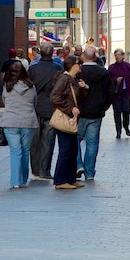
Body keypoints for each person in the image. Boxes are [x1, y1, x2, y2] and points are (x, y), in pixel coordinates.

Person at [75, 46, 112, 181]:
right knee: (92, 143)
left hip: (80, 112)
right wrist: (103, 107)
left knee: (75, 140)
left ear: (83, 56)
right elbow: (110, 93)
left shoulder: (78, 72)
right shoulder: (103, 72)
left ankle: (79, 164)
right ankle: (89, 172)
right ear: (95, 57)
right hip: (96, 113)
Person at [0, 62, 37, 189]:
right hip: (28, 122)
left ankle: (15, 181)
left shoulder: (7, 86)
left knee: (15, 151)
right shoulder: (31, 87)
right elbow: (34, 102)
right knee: (25, 151)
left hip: (10, 121)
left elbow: (4, 101)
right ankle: (23, 180)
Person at [50, 56, 85, 190]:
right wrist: (70, 109)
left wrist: (83, 88)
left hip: (72, 119)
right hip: (65, 118)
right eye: (78, 63)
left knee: (72, 149)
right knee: (65, 150)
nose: (80, 65)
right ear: (72, 65)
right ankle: (60, 180)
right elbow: (54, 97)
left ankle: (70, 178)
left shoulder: (73, 79)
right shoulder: (64, 79)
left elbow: (77, 98)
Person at [29, 43, 61, 180]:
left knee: (35, 141)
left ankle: (35, 169)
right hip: (50, 109)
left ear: (40, 53)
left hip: (35, 108)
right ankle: (44, 170)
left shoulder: (33, 69)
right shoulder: (57, 68)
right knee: (48, 141)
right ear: (52, 52)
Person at [108, 48, 130, 138]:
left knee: (126, 111)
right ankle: (118, 131)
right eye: (116, 55)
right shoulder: (112, 67)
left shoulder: (128, 66)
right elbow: (108, 80)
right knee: (117, 112)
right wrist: (115, 80)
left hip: (126, 92)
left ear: (123, 56)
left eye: (119, 55)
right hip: (116, 93)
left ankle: (126, 126)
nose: (117, 57)